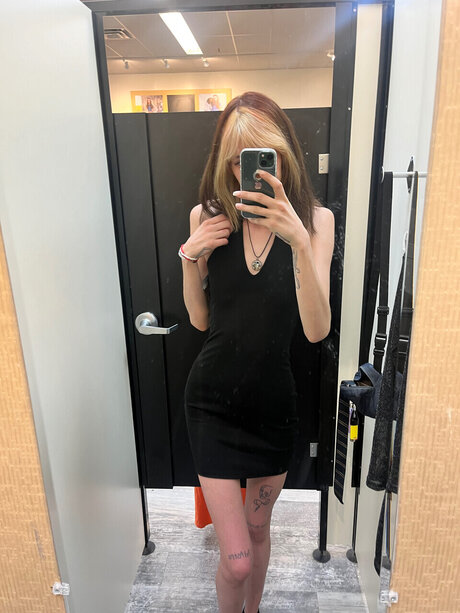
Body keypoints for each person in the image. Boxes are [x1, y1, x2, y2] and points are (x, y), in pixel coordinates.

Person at [179, 91, 334, 613]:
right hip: (212, 408)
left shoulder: (316, 222)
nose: (250, 172)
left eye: (265, 157)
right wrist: (189, 257)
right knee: (238, 559)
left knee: (259, 530)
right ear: (226, 163)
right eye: (237, 161)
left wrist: (298, 242)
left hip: (273, 410)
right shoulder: (208, 216)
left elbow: (316, 330)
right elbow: (200, 320)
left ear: (284, 155)